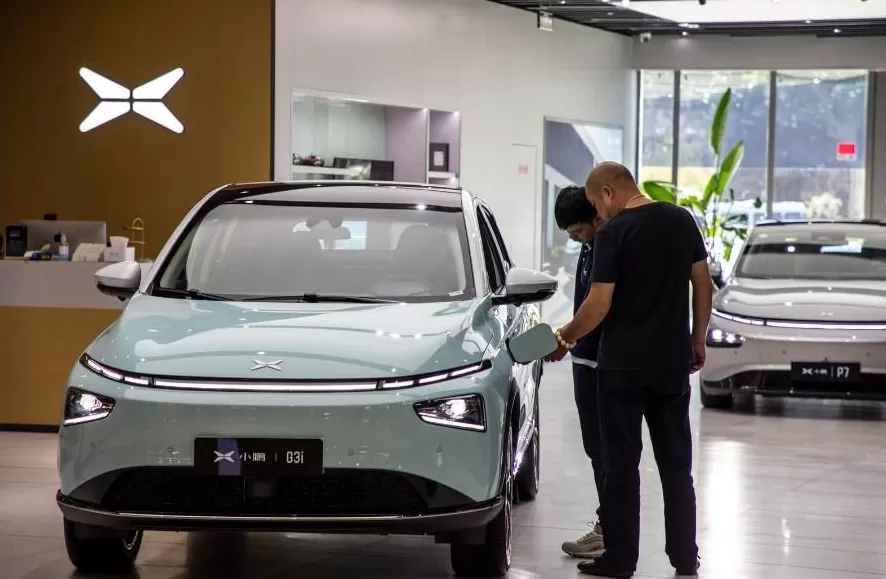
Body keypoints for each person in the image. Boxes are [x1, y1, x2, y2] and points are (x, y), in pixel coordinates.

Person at [546, 162, 712, 578]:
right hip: (671, 364)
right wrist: (697, 338)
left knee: (621, 467)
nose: (597, 214)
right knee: (677, 466)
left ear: (607, 192)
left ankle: (620, 560)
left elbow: (598, 304)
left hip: (621, 369)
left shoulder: (613, 233)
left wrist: (564, 338)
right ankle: (685, 556)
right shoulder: (681, 219)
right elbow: (703, 282)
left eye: (595, 204)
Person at [553, 186, 608, 559]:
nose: (575, 238)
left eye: (578, 231)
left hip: (601, 363)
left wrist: (565, 337)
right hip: (584, 360)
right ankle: (608, 525)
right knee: (595, 448)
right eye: (570, 234)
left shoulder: (607, 246)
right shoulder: (590, 247)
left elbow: (597, 306)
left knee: (605, 450)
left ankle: (609, 529)